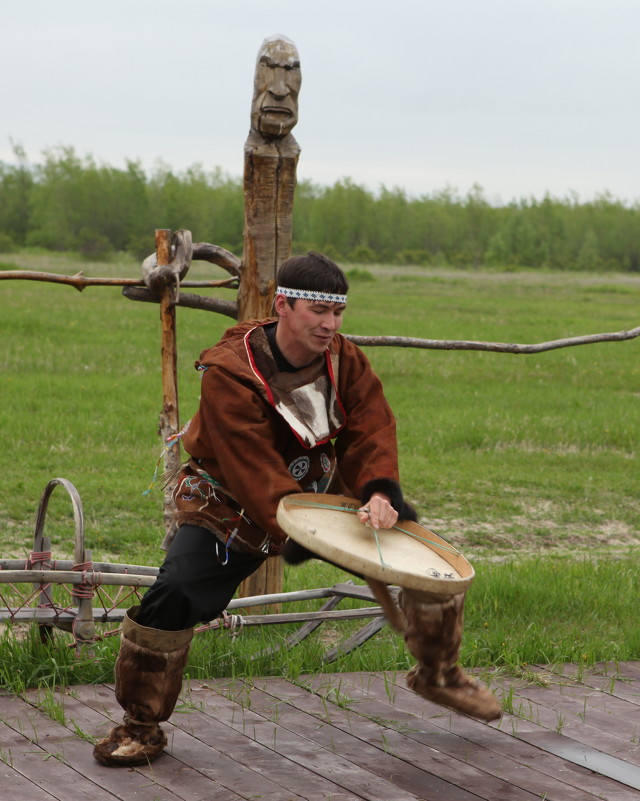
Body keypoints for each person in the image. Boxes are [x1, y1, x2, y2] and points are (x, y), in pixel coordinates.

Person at [93, 251, 499, 768]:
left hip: (321, 494)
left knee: (427, 562)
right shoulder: (229, 371)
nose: (330, 325)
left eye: (337, 314)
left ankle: (439, 673)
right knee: (172, 595)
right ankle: (140, 724)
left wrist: (378, 493)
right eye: (317, 312)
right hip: (229, 502)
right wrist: (299, 527)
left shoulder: (345, 360)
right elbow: (251, 464)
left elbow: (371, 428)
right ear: (283, 305)